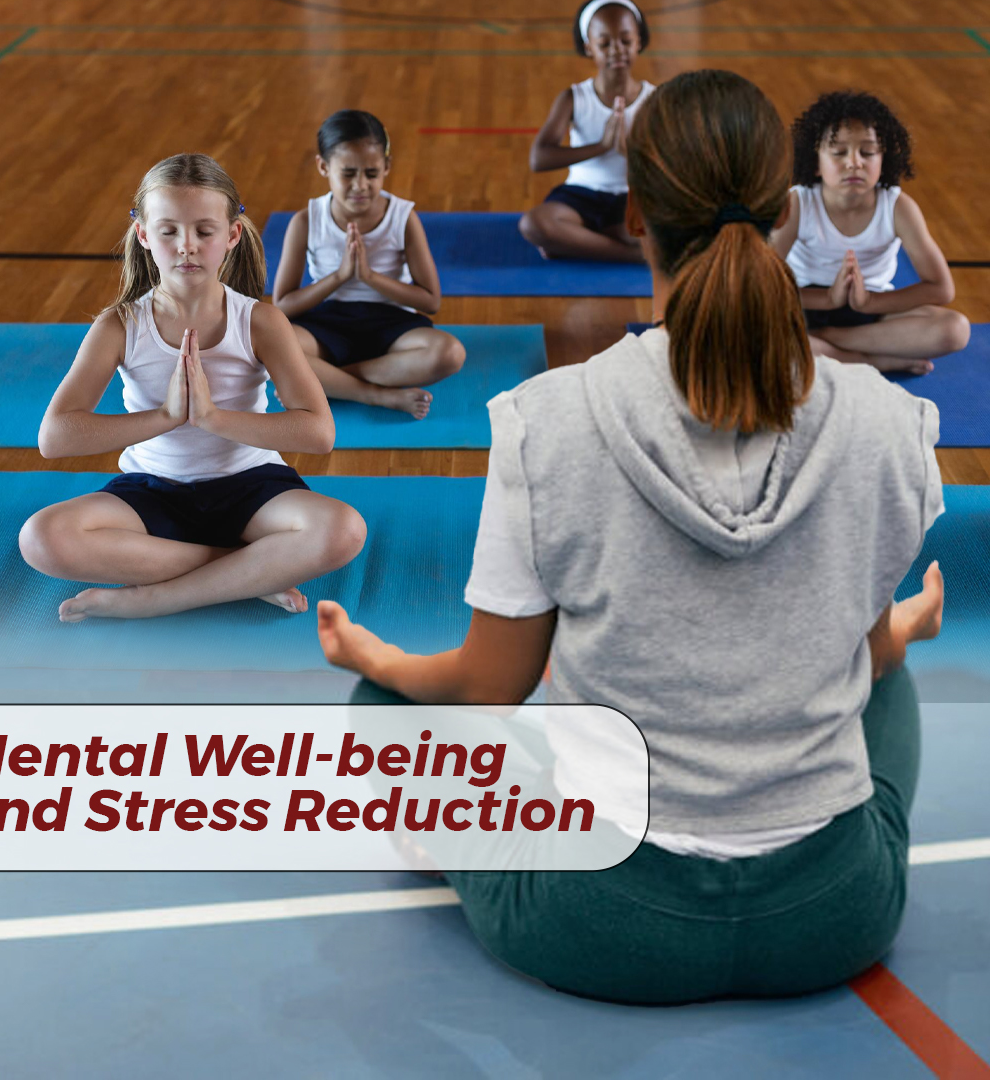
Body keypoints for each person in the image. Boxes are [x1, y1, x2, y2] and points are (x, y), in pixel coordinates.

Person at [316, 71, 947, 1004]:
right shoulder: (888, 423)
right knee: (887, 670)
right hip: (833, 915)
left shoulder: (546, 418)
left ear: (639, 215)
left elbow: (494, 683)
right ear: (784, 215)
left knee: (384, 704)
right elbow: (850, 654)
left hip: (601, 924)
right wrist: (898, 634)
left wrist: (382, 658)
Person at [19, 153, 366, 622]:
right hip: (152, 489)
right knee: (41, 538)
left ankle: (156, 597)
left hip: (252, 488)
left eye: (204, 231)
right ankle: (246, 572)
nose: (187, 246)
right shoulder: (120, 325)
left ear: (232, 235)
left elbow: (319, 434)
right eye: (169, 231)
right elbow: (54, 439)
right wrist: (166, 417)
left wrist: (213, 419)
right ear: (143, 235)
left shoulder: (260, 321)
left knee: (343, 529)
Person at [273, 110, 466, 420]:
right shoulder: (306, 221)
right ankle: (377, 395)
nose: (360, 185)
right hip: (327, 321)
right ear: (324, 167)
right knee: (278, 347)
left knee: (450, 353)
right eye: (348, 173)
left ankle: (324, 382)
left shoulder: (403, 218)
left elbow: (430, 301)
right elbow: (282, 305)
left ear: (386, 167)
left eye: (372, 174)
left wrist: (370, 276)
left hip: (390, 324)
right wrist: (340, 276)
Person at [771, 90, 970, 375]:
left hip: (873, 311)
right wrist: (827, 299)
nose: (854, 162)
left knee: (955, 330)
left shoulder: (898, 206)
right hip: (802, 306)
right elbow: (761, 282)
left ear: (883, 159)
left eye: (867, 152)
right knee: (749, 329)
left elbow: (941, 287)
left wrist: (869, 302)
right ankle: (871, 362)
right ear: (815, 162)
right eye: (839, 152)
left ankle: (833, 346)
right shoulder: (798, 203)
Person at [518, 0, 655, 261]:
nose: (617, 50)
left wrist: (633, 153)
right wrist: (602, 146)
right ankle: (631, 255)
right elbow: (539, 159)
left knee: (659, 228)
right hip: (581, 193)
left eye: (626, 41)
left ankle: (579, 242)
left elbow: (675, 166)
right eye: (605, 44)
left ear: (639, 41)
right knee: (534, 224)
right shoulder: (574, 97)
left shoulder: (655, 99)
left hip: (632, 195)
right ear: (588, 47)